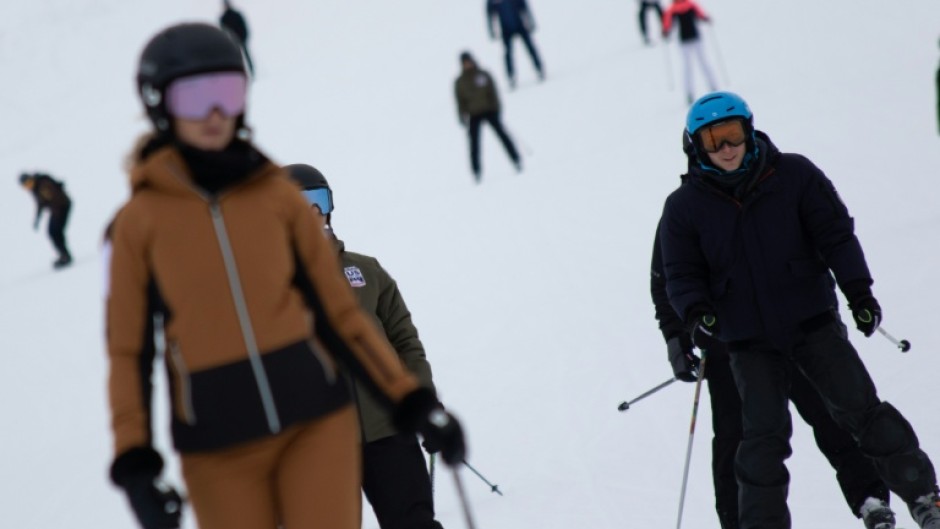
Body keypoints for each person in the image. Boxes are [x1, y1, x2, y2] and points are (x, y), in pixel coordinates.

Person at [106, 22, 465, 529]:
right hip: (219, 441)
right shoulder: (136, 227)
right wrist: (136, 459)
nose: (213, 113)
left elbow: (342, 318)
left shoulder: (276, 201)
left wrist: (410, 400)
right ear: (159, 103)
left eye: (227, 93)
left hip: (317, 425)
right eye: (193, 96)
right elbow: (128, 352)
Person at [659, 90, 940, 529]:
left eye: (732, 135)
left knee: (860, 411)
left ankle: (923, 496)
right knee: (761, 440)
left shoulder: (793, 175)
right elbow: (677, 274)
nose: (726, 149)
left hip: (812, 325)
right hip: (748, 343)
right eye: (713, 142)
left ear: (749, 131)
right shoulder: (684, 208)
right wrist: (693, 316)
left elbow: (835, 235)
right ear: (697, 147)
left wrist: (859, 293)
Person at [652, 217, 894, 529]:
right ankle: (740, 521)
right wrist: (677, 337)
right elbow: (666, 278)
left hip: (796, 330)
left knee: (832, 415)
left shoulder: (773, 181)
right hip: (729, 341)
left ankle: (870, 501)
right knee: (738, 438)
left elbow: (825, 238)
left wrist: (839, 297)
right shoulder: (686, 206)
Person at [286, 163, 447, 529]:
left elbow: (405, 342)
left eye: (319, 198)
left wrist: (423, 402)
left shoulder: (367, 272)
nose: (311, 210)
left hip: (389, 429)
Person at [454, 51, 522, 182]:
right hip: (473, 114)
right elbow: (459, 101)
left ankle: (516, 159)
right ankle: (476, 171)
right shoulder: (460, 82)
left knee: (503, 136)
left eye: (468, 61)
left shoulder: (483, 75)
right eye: (464, 63)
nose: (467, 65)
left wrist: (496, 109)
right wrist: (462, 116)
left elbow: (493, 93)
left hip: (489, 110)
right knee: (474, 144)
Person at [661, 0, 717, 105]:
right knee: (701, 63)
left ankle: (691, 92)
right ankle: (711, 86)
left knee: (690, 67)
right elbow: (701, 15)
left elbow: (667, 25)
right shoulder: (687, 6)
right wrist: (706, 19)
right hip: (692, 38)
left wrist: (665, 32)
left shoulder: (674, 9)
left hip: (686, 40)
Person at [19, 172, 73, 269]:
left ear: (31, 179)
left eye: (28, 183)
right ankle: (64, 254)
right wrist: (37, 219)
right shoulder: (35, 188)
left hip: (62, 207)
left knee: (55, 231)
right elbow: (40, 203)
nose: (28, 187)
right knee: (53, 232)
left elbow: (56, 198)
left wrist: (56, 215)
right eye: (25, 186)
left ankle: (65, 256)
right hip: (57, 209)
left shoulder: (43, 185)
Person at [486, 0, 544, 87]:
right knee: (508, 53)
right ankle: (511, 76)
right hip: (506, 28)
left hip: (519, 24)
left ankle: (539, 68)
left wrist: (530, 21)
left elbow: (524, 7)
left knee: (530, 47)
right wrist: (492, 30)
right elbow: (490, 14)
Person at [219, 0, 254, 76]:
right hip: (232, 41)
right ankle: (241, 72)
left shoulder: (236, 15)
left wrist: (244, 36)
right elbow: (223, 31)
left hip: (241, 37)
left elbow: (243, 26)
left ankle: (251, 71)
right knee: (237, 57)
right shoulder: (223, 18)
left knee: (246, 55)